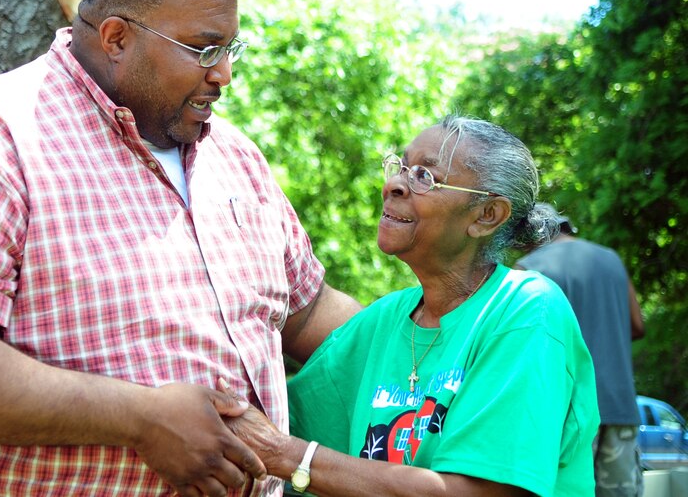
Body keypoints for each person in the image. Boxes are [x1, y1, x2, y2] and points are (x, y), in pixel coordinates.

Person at [0, 0, 360, 497]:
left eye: (231, 50)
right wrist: (139, 417)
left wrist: (450, 343)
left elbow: (308, 312)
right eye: (205, 50)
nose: (224, 76)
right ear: (116, 37)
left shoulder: (233, 157)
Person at [221, 115, 600, 497]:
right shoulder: (385, 321)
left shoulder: (526, 311)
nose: (393, 185)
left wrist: (289, 457)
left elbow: (476, 493)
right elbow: (274, 419)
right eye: (400, 167)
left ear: (487, 216)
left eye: (424, 176)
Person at [516, 206, 645, 497]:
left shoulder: (526, 270)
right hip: (618, 405)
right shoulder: (610, 259)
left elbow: (520, 347)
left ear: (530, 235)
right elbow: (637, 326)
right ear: (566, 227)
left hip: (565, 414)